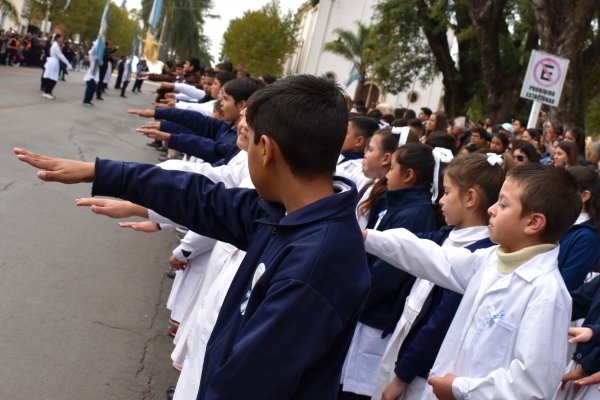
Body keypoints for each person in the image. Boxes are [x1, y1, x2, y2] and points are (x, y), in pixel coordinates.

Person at [14, 75, 371, 399]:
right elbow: (203, 198)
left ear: (267, 149)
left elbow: (247, 386)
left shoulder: (315, 263)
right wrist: (103, 172)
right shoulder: (288, 215)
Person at [363, 164, 581, 399]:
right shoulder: (490, 260)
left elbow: (532, 387)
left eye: (504, 204)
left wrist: (460, 389)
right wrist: (369, 237)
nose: (492, 209)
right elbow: (434, 258)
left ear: (533, 223)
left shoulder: (546, 294)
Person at [372, 153, 503, 400]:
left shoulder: (479, 253)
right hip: (406, 347)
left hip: (421, 372)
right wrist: (370, 237)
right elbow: (413, 247)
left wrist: (402, 376)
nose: (441, 200)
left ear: (470, 198)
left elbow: (438, 323)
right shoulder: (447, 234)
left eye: (447, 192)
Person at [340, 142, 438, 399]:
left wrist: (350, 299)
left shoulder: (416, 213)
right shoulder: (392, 201)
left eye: (392, 168)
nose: (387, 174)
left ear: (408, 175)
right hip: (363, 309)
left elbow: (388, 274)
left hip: (375, 316)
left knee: (356, 390)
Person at [557, 166, 600, 291]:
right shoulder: (561, 219)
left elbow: (566, 283)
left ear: (584, 195)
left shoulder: (587, 237)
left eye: (563, 191)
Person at [41, 34, 72, 99]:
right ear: (57, 38)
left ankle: (47, 92)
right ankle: (47, 92)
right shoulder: (55, 46)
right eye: (61, 38)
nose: (62, 39)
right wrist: (68, 63)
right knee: (53, 78)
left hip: (54, 62)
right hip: (53, 62)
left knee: (52, 78)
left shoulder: (56, 45)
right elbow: (61, 56)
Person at [83, 41, 100, 106]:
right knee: (91, 87)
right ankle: (86, 101)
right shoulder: (91, 53)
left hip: (95, 73)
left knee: (93, 88)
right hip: (91, 74)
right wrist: (97, 44)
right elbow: (93, 50)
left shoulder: (96, 55)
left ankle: (88, 100)